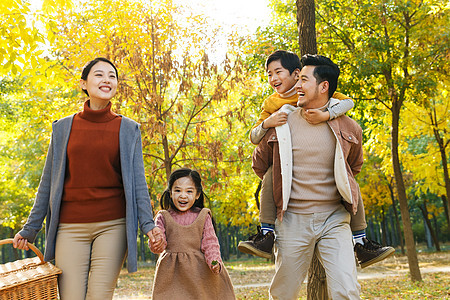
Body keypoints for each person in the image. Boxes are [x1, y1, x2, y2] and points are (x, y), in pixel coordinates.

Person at [12, 57, 163, 300]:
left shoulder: (128, 129)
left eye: (112, 76)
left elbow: (138, 184)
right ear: (84, 83)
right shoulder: (62, 128)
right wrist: (31, 228)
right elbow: (48, 182)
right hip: (69, 227)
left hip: (113, 225)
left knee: (99, 296)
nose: (107, 80)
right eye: (99, 75)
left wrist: (148, 225)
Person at [238, 50, 394, 269]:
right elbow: (255, 143)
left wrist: (326, 115)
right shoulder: (273, 105)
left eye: (278, 72)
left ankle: (361, 241)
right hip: (290, 207)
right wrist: (268, 123)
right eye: (269, 74)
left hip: (332, 213)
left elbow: (348, 105)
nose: (273, 79)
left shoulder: (340, 118)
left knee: (348, 177)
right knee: (271, 174)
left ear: (296, 74)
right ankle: (266, 233)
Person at [253, 54, 367, 299]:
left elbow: (353, 168)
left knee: (346, 290)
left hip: (334, 219)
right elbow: (260, 165)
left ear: (323, 86)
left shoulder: (348, 126)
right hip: (292, 219)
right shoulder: (280, 121)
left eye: (304, 80)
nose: (298, 86)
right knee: (284, 292)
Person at [149, 168, 235, 300]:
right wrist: (157, 242)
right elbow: (159, 240)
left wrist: (214, 261)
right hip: (171, 273)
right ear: (170, 193)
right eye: (177, 190)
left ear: (197, 194)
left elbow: (210, 242)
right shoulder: (163, 216)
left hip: (199, 272)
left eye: (189, 191)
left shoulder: (203, 215)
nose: (183, 195)